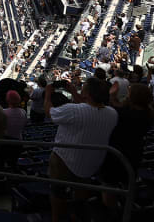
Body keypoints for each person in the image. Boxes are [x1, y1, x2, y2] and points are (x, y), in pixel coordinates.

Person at [45, 77, 118, 221]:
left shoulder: (73, 110)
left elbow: (50, 112)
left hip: (64, 159)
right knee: (81, 192)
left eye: (83, 87)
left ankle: (56, 218)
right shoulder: (112, 113)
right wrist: (74, 92)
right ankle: (76, 215)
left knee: (58, 191)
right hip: (91, 161)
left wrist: (48, 94)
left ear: (88, 93)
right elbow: (89, 108)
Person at [101, 83, 154, 210]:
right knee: (127, 179)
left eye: (129, 93)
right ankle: (126, 205)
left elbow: (115, 109)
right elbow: (120, 107)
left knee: (109, 183)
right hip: (135, 152)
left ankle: (111, 211)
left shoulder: (123, 114)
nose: (127, 95)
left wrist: (112, 96)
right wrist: (113, 98)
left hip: (116, 153)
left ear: (134, 97)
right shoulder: (149, 113)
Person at [0, 90, 27, 172]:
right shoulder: (23, 112)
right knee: (13, 163)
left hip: (5, 142)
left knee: (0, 163)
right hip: (18, 141)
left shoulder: (3, 112)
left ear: (7, 100)